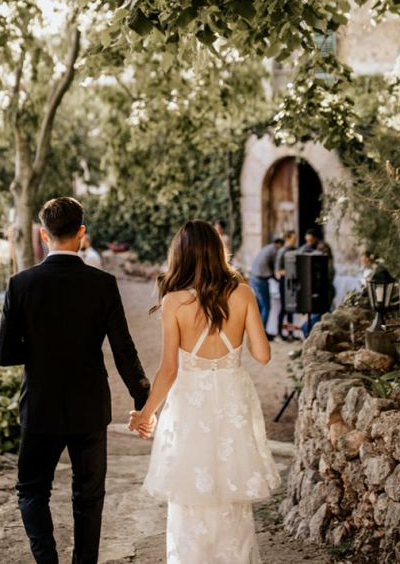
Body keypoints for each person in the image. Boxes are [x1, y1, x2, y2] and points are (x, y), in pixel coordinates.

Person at [0, 196, 151, 564]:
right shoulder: (102, 284)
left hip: (40, 406)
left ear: (44, 234)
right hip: (89, 407)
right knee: (89, 496)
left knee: (32, 491)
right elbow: (123, 350)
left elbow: (3, 355)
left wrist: (39, 351)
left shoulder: (20, 285)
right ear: (82, 234)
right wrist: (143, 398)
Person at [129, 220, 280, 564]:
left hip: (190, 407)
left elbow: (168, 370)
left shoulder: (174, 303)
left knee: (189, 496)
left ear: (180, 255)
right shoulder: (241, 293)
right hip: (232, 401)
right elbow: (263, 355)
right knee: (231, 496)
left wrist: (146, 414)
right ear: (217, 251)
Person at [249, 235, 283, 340]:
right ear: (279, 244)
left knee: (259, 307)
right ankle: (261, 333)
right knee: (266, 306)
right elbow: (275, 267)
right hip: (260, 280)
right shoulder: (274, 251)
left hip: (253, 278)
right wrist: (278, 278)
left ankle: (255, 332)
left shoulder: (267, 248)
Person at [275, 230, 298, 341]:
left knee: (291, 307)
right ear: (288, 238)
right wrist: (290, 273)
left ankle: (290, 333)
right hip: (284, 281)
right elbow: (279, 270)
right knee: (284, 308)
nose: (295, 240)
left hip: (293, 281)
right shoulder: (282, 251)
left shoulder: (295, 250)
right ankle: (279, 333)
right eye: (294, 238)